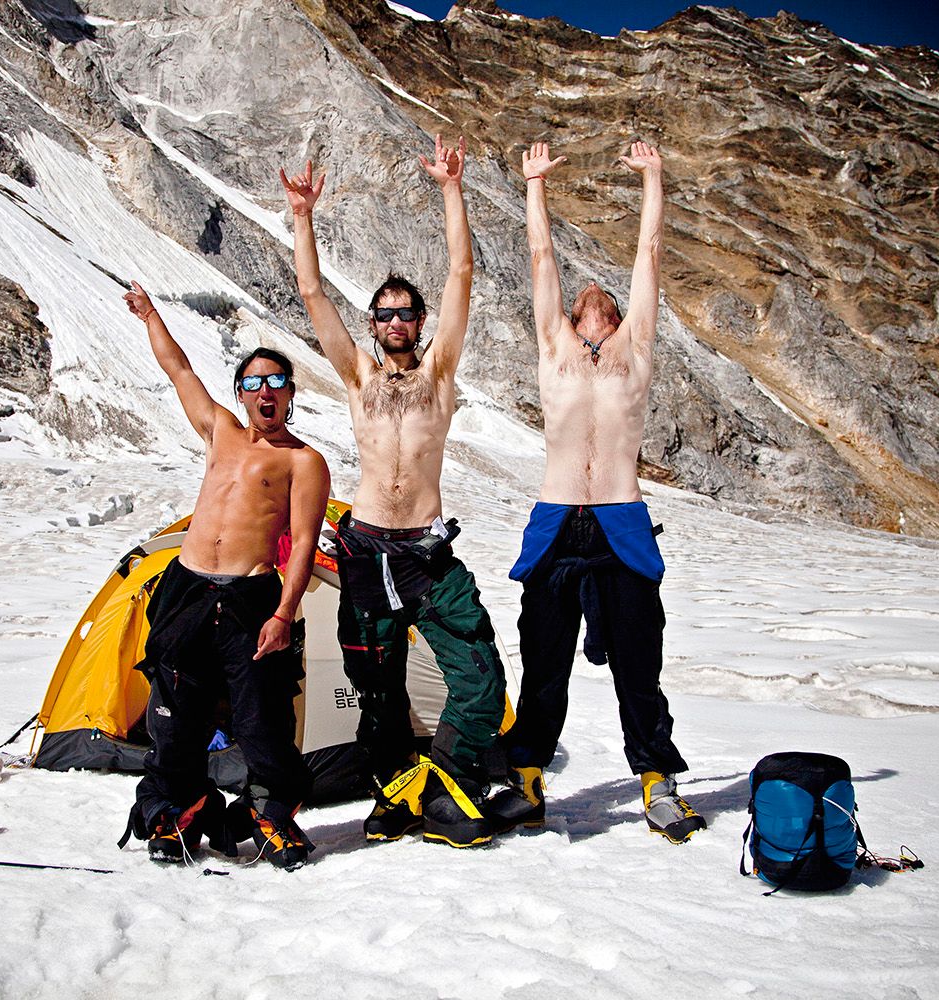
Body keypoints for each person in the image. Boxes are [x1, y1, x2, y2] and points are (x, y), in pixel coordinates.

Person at [280, 136, 506, 848]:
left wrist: (450, 189)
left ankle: (450, 784)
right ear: (374, 327)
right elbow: (313, 294)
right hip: (368, 547)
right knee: (377, 696)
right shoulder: (358, 378)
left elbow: (463, 274)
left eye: (406, 312)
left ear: (419, 322)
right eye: (385, 314)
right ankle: (393, 795)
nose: (397, 322)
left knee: (480, 676)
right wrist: (303, 217)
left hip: (429, 553)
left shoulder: (439, 374)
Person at [488, 140, 705, 845]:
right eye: (586, 298)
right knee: (544, 660)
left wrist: (653, 176)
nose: (592, 296)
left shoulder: (634, 349)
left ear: (612, 316)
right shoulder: (553, 347)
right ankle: (526, 777)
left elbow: (648, 256)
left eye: (603, 298)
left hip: (621, 517)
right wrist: (535, 187)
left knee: (640, 664)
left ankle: (655, 779)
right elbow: (540, 260)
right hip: (556, 519)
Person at [119, 281, 331, 871]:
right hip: (186, 588)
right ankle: (180, 810)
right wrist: (149, 312)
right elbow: (178, 368)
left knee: (260, 719)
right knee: (175, 714)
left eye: (277, 382)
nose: (266, 392)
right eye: (254, 383)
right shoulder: (219, 430)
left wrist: (283, 613)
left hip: (250, 596)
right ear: (241, 393)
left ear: (290, 395)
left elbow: (306, 544)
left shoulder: (303, 461)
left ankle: (269, 814)